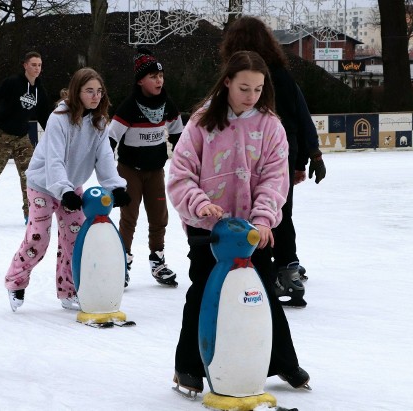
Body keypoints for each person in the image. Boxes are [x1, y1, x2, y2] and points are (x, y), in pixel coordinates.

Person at [167, 51, 310, 394]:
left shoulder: (271, 126)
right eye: (244, 88)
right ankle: (187, 367)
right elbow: (180, 174)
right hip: (209, 233)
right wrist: (200, 205)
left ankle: (282, 362)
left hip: (250, 234)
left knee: (262, 294)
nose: (251, 96)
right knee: (203, 293)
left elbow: (276, 181)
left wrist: (262, 221)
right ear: (227, 81)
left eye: (258, 89)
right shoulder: (202, 122)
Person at [220, 16, 327, 307]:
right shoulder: (280, 74)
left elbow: (295, 116)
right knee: (279, 212)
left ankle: (278, 267)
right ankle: (286, 265)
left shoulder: (242, 80)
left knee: (261, 212)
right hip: (284, 153)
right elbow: (301, 116)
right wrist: (308, 156)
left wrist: (307, 157)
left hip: (258, 155)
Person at [4, 67, 131, 312]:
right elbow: (54, 160)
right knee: (38, 238)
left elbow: (104, 158)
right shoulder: (59, 118)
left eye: (99, 91)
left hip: (71, 187)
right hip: (43, 185)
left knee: (74, 240)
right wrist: (64, 190)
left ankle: (68, 290)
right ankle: (15, 281)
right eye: (89, 91)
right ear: (77, 92)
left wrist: (115, 187)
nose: (96, 96)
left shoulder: (99, 122)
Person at [108, 48, 183, 287]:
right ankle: (122, 260)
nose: (159, 80)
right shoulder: (129, 106)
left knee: (159, 216)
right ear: (141, 81)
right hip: (130, 170)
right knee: (129, 217)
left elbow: (179, 136)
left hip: (155, 171)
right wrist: (108, 173)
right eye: (153, 76)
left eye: (160, 76)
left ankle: (157, 258)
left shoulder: (168, 103)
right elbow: (111, 139)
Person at [0, 51, 51, 224]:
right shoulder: (13, 82)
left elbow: (46, 116)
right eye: (33, 64)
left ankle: (30, 213)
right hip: (1, 133)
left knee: (30, 175)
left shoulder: (40, 90)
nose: (37, 68)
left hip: (22, 136)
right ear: (25, 65)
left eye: (39, 65)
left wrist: (56, 134)